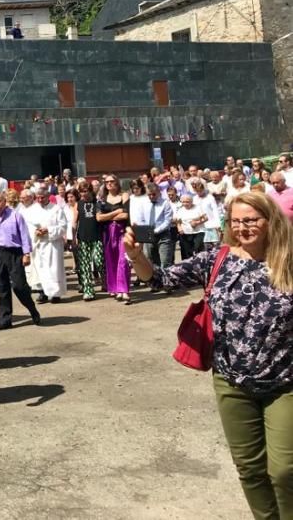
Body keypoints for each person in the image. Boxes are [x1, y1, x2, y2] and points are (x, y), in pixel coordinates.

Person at [125, 192, 293, 519]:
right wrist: (136, 257)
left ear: (270, 220)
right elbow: (159, 279)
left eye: (251, 220)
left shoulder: (287, 260)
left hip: (285, 384)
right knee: (249, 468)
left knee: (285, 469)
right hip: (231, 383)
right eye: (236, 221)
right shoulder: (215, 259)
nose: (243, 227)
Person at [0, 192, 41, 329]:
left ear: (5, 201)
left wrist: (26, 253)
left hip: (14, 253)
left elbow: (24, 234)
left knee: (19, 286)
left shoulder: (15, 215)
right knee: (2, 287)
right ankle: (5, 320)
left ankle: (32, 309)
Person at [130, 182, 174, 290]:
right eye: (149, 194)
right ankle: (155, 283)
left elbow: (167, 221)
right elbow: (140, 218)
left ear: (158, 192)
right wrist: (142, 228)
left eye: (154, 194)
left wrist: (156, 230)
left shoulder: (165, 203)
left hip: (163, 234)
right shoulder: (144, 203)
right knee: (150, 260)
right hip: (148, 234)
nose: (151, 196)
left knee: (165, 260)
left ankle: (167, 283)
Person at [27, 188, 68, 304]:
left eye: (42, 197)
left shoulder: (56, 209)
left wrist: (48, 230)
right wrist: (36, 232)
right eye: (38, 197)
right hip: (38, 243)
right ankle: (42, 292)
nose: (40, 200)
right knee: (40, 269)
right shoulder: (32, 210)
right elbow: (28, 226)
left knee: (54, 269)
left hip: (52, 244)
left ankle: (55, 294)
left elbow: (63, 226)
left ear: (48, 196)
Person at [97, 175, 132, 304]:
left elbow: (126, 214)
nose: (109, 184)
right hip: (107, 233)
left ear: (117, 182)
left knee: (123, 261)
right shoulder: (102, 199)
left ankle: (125, 291)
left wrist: (109, 216)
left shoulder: (124, 196)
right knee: (111, 261)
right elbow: (99, 218)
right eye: (107, 182)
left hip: (122, 232)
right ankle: (115, 288)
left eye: (112, 181)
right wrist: (116, 213)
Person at [71, 186, 103, 301]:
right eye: (81, 192)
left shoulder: (97, 203)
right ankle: (88, 291)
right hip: (83, 238)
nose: (83, 194)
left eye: (85, 191)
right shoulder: (78, 204)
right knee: (84, 266)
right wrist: (74, 238)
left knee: (99, 261)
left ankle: (106, 282)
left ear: (90, 191)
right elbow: (74, 222)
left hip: (97, 237)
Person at [192, 179, 222, 249]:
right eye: (197, 191)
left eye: (200, 190)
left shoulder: (210, 197)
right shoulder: (194, 199)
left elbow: (215, 210)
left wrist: (218, 223)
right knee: (201, 246)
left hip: (210, 224)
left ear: (203, 189)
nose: (199, 192)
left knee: (214, 246)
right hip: (199, 225)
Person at [175, 194, 206, 259]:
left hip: (198, 232)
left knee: (197, 249)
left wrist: (197, 223)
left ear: (191, 201)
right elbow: (178, 221)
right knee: (186, 252)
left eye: (187, 202)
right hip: (185, 233)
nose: (185, 204)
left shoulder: (197, 208)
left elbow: (205, 218)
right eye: (183, 202)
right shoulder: (180, 210)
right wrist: (179, 228)